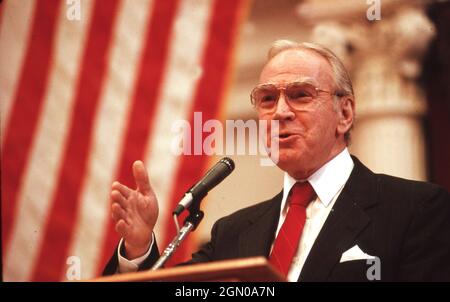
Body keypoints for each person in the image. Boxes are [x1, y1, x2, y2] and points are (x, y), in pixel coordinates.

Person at [103, 40, 450, 281]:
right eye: (267, 99)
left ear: (344, 114)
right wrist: (138, 247)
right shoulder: (233, 233)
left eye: (300, 95)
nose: (280, 112)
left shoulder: (416, 210)